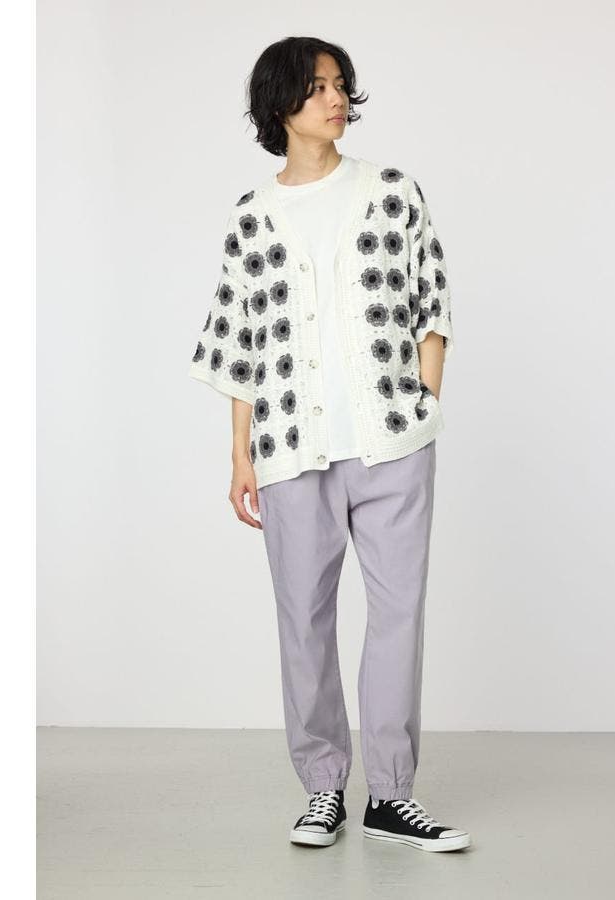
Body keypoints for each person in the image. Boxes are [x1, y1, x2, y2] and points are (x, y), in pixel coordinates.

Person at [189, 36, 470, 853]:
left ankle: (391, 796)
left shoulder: (391, 193)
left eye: (341, 85)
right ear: (280, 103)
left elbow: (432, 302)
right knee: (304, 622)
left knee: (398, 616)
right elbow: (238, 341)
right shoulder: (253, 216)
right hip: (290, 448)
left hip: (391, 444)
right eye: (317, 87)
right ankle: (322, 790)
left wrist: (423, 405)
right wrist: (240, 454)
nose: (336, 99)